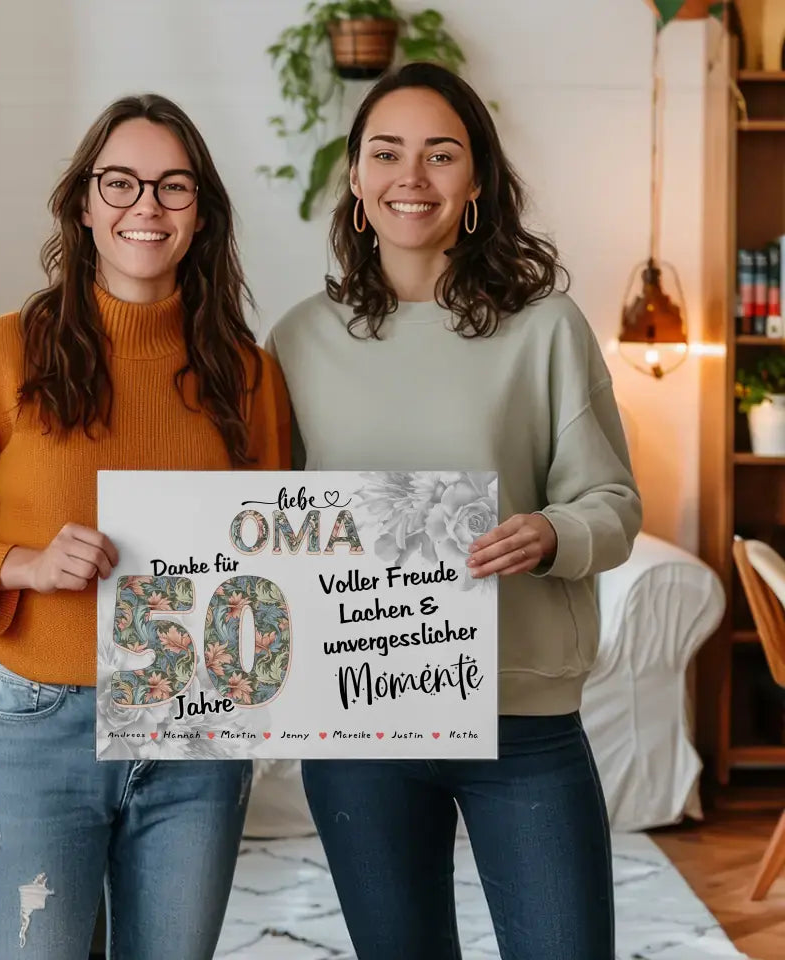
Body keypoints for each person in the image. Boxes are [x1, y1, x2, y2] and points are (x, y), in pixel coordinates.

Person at [0, 94, 290, 960]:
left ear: (202, 215)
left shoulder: (250, 378)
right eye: (121, 183)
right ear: (82, 204)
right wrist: (23, 564)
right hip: (37, 728)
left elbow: (277, 564)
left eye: (174, 186)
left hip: (196, 739)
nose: (146, 205)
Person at [266, 62, 641, 960]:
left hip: (524, 723)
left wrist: (554, 533)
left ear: (476, 182)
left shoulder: (546, 327)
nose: (412, 177)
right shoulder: (295, 342)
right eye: (387, 153)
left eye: (441, 155)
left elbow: (616, 505)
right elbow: (262, 523)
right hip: (360, 724)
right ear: (355, 179)